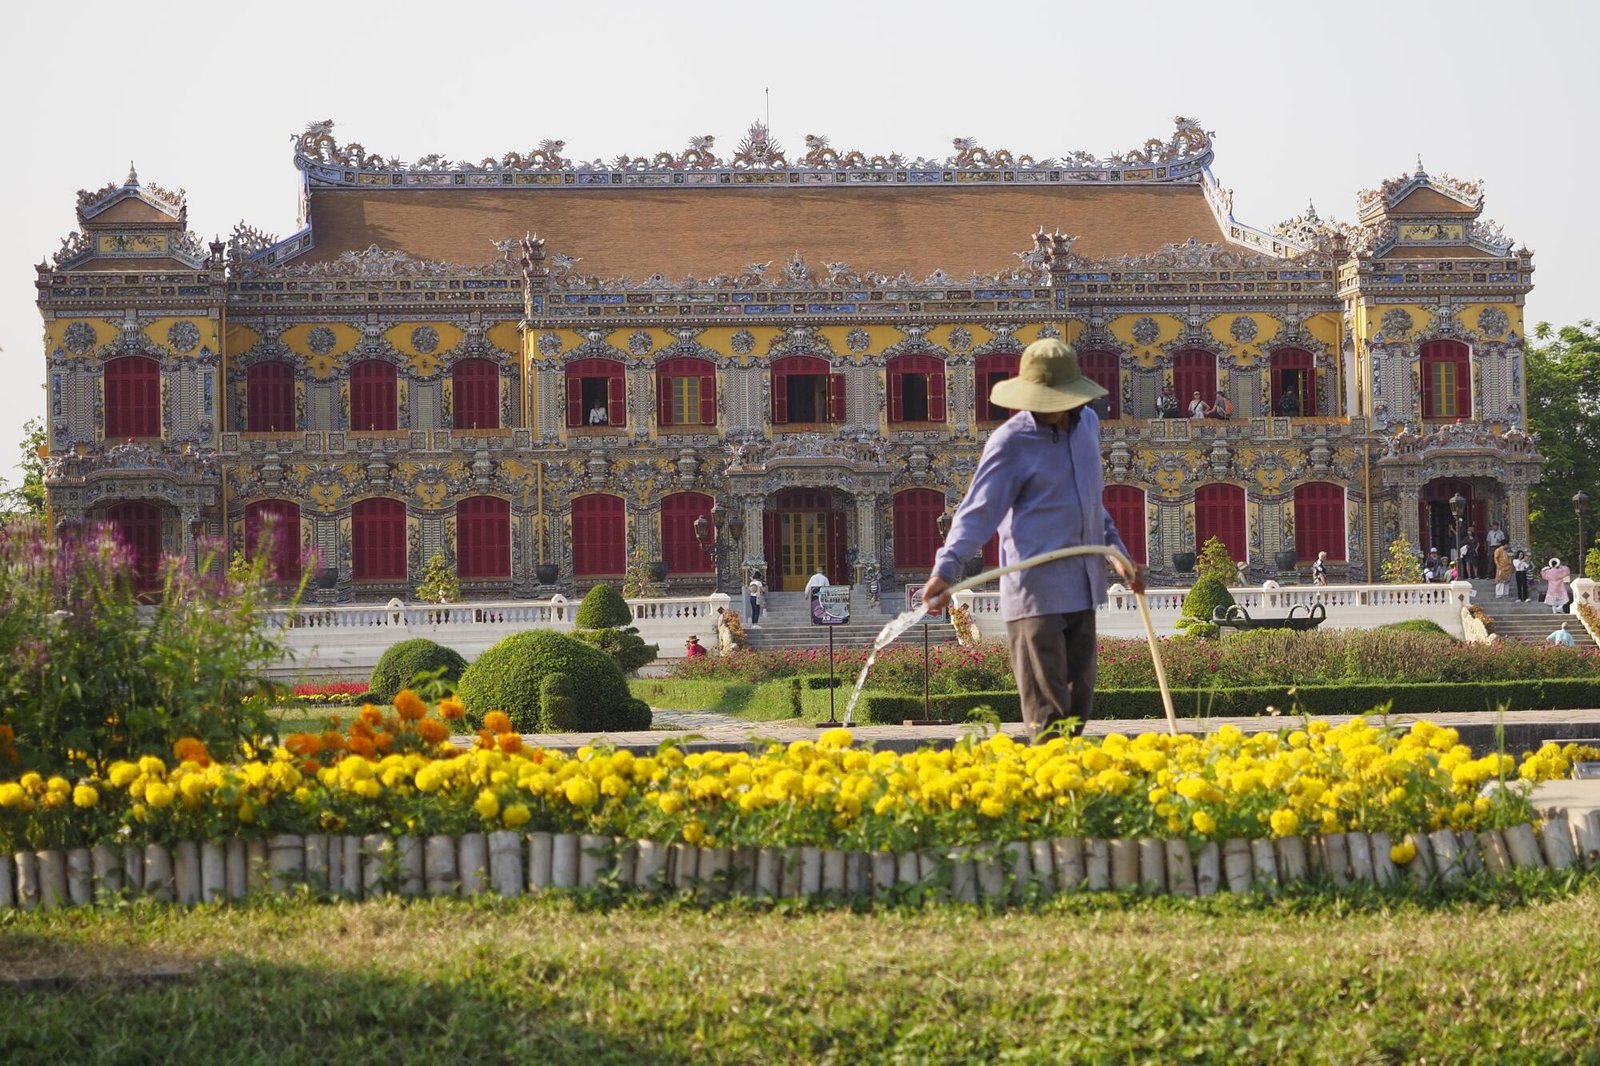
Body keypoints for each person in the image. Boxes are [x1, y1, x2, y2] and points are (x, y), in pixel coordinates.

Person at [922, 337, 1145, 743]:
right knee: (1048, 711)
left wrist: (1119, 555)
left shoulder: (1088, 427)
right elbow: (977, 511)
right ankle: (1047, 795)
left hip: (1082, 585)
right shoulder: (1011, 442)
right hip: (1035, 593)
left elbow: (1092, 503)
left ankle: (1070, 792)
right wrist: (946, 569)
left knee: (1078, 709)